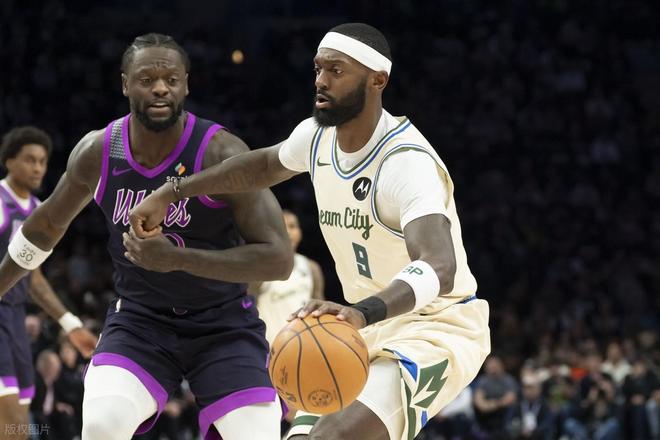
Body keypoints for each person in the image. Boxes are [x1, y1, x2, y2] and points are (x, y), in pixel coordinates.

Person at [130, 23, 490, 440]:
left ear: (377, 80)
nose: (320, 80)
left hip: (436, 326)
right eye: (318, 69)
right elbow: (261, 166)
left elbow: (439, 265)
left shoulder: (406, 163)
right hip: (364, 324)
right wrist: (174, 191)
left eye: (336, 70)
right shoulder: (318, 136)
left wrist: (363, 312)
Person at [0, 33, 293, 440]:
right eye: (146, 79)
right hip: (140, 323)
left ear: (186, 85)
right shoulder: (100, 151)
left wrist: (177, 258)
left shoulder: (221, 153)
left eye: (171, 79)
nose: (160, 88)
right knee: (102, 426)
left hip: (224, 325)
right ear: (125, 84)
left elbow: (279, 259)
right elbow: (46, 225)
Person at [0, 126, 97, 440]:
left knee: (18, 428)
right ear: (9, 161)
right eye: (30, 160)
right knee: (11, 424)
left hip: (14, 320)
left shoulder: (37, 210)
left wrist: (70, 324)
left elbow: (34, 278)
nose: (38, 168)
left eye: (43, 161)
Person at [249, 209, 325, 345]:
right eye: (282, 227)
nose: (288, 232)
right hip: (271, 347)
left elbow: (320, 311)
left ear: (300, 232)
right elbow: (247, 312)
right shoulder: (260, 269)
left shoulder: (311, 267)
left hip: (307, 346)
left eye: (292, 226)